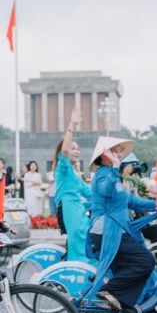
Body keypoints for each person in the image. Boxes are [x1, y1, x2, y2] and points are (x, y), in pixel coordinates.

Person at [88, 135, 157, 313]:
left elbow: (132, 201)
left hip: (117, 229)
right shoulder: (103, 174)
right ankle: (108, 291)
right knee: (145, 261)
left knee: (138, 263)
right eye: (115, 151)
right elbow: (106, 191)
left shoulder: (115, 177)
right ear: (104, 155)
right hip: (107, 230)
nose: (120, 154)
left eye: (120, 151)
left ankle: (130, 304)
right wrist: (113, 166)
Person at [51, 108, 92, 264]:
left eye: (78, 149)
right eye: (73, 148)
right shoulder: (63, 168)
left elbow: (89, 193)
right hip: (69, 209)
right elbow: (65, 150)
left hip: (79, 211)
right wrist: (72, 125)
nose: (77, 151)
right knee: (79, 240)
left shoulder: (75, 175)